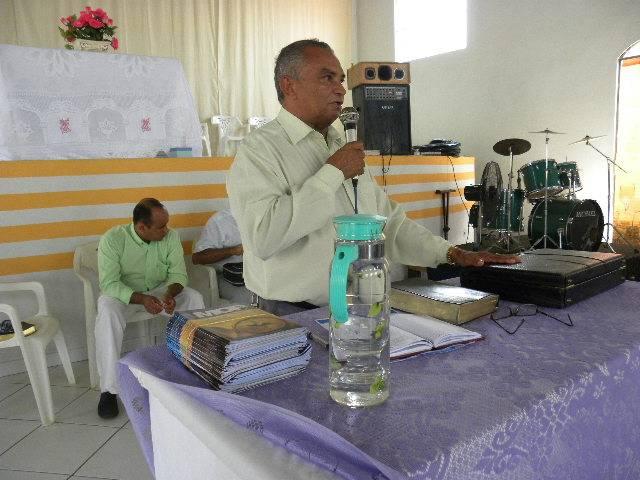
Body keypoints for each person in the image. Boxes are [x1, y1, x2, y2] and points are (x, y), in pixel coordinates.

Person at [226, 39, 520, 316]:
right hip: (293, 314)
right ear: (289, 85)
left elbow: (387, 224)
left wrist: (452, 253)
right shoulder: (260, 150)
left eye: (341, 79)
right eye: (327, 78)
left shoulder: (340, 144)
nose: (341, 90)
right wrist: (332, 173)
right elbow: (264, 236)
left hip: (364, 310)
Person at [95, 198, 204, 418]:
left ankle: (199, 370)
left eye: (167, 224)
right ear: (142, 227)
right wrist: (142, 299)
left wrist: (170, 294)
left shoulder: (171, 237)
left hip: (159, 293)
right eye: (161, 227)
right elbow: (109, 284)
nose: (167, 230)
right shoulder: (112, 239)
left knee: (194, 299)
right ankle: (109, 390)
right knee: (107, 311)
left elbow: (178, 275)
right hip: (125, 297)